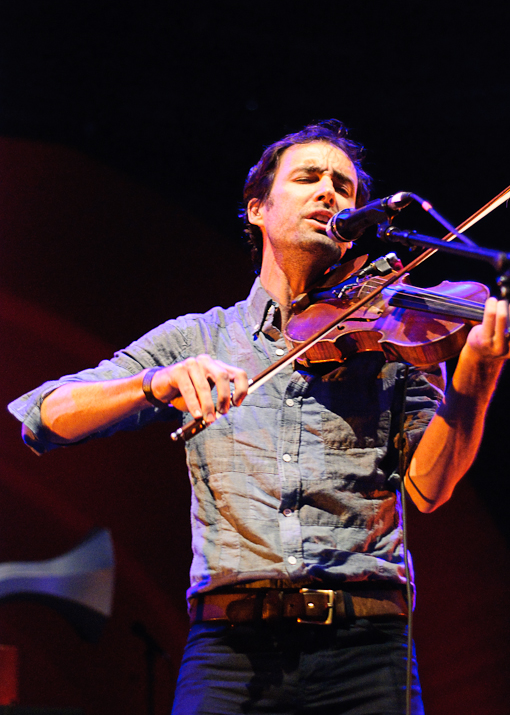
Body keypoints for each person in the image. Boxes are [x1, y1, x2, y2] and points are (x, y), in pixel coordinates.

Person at [8, 120, 509, 714]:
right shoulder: (202, 336)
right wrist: (154, 382)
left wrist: (474, 382)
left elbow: (428, 488)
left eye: (345, 187)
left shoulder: (394, 334)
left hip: (368, 646)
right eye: (308, 178)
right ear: (257, 211)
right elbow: (43, 415)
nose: (329, 192)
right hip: (230, 649)